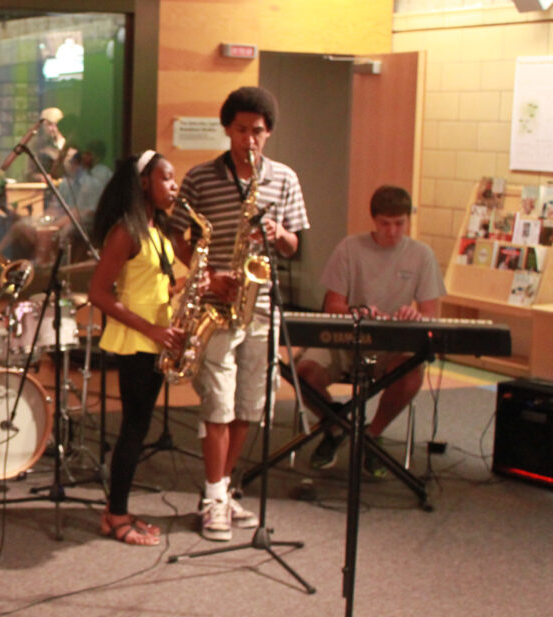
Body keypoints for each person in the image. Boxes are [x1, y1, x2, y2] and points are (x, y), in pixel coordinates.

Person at [168, 86, 309, 542]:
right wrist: (207, 276)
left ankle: (223, 491)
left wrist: (278, 232)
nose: (250, 140)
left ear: (269, 133)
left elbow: (294, 246)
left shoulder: (284, 178)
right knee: (218, 405)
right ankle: (213, 498)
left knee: (248, 407)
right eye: (243, 130)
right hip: (216, 303)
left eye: (259, 132)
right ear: (227, 128)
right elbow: (177, 238)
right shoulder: (200, 177)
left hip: (262, 306)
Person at [300, 186, 445, 476]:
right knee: (304, 372)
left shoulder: (422, 255)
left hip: (392, 343)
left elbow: (431, 313)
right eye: (385, 224)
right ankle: (336, 427)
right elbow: (333, 306)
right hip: (346, 338)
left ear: (408, 220)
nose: (392, 231)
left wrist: (414, 315)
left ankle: (372, 435)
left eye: (399, 223)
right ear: (374, 221)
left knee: (411, 373)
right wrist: (359, 312)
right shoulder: (350, 248)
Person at [88, 150, 187, 545]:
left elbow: (160, 285)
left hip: (157, 338)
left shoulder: (157, 231)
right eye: (166, 178)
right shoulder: (125, 231)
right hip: (137, 340)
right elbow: (98, 292)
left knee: (138, 427)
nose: (174, 186)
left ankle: (119, 509)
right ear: (144, 182)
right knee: (132, 429)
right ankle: (116, 516)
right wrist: (152, 329)